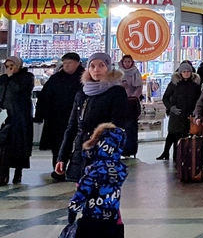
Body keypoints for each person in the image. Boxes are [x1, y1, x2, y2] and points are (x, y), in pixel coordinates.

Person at [56, 53, 131, 183]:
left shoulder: (116, 92)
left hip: (103, 154)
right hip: (81, 153)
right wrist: (62, 157)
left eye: (101, 65)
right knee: (81, 195)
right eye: (92, 66)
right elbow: (72, 127)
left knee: (99, 197)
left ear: (108, 67)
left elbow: (117, 127)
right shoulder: (82, 93)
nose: (96, 70)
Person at [65, 124, 128, 238]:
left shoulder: (95, 169)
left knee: (86, 237)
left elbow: (83, 190)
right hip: (111, 212)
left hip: (93, 213)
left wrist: (73, 208)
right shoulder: (120, 168)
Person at [35, 53, 84, 179]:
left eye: (70, 63)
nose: (67, 66)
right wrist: (40, 114)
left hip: (78, 118)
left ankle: (75, 169)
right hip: (56, 118)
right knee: (58, 145)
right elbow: (45, 97)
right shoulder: (56, 79)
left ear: (78, 63)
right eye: (65, 63)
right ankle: (58, 170)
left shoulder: (84, 78)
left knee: (76, 144)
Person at [156, 62, 202, 161]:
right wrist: (171, 107)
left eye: (188, 71)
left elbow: (199, 99)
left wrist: (196, 111)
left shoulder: (195, 84)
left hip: (189, 114)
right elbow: (166, 98)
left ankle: (180, 155)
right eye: (184, 71)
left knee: (185, 135)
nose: (186, 73)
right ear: (180, 73)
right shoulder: (174, 84)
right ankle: (166, 152)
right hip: (177, 113)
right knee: (173, 133)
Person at [0, 56, 34, 185]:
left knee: (20, 145)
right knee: (4, 146)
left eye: (12, 66)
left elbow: (18, 89)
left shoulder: (26, 77)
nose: (9, 69)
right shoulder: (3, 79)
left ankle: (18, 172)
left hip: (20, 117)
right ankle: (3, 174)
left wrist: (10, 77)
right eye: (7, 66)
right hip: (5, 117)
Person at [118, 55, 143, 158]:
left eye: (129, 61)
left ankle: (130, 150)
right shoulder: (118, 73)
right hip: (120, 103)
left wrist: (133, 97)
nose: (127, 63)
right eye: (125, 61)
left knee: (131, 128)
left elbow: (139, 87)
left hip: (132, 104)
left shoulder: (136, 72)